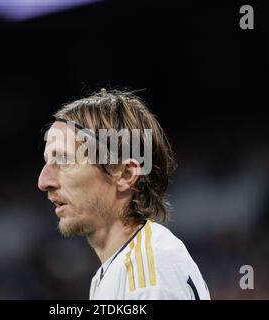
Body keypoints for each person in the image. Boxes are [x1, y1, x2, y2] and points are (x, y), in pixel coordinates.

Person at [38, 89, 210, 300]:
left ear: (125, 174)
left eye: (64, 159)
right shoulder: (122, 269)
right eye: (47, 161)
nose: (43, 182)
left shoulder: (147, 276)